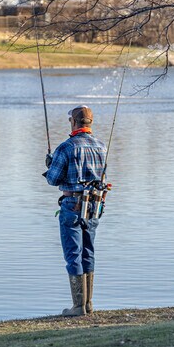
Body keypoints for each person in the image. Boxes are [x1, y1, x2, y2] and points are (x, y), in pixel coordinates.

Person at [45, 106, 107, 317]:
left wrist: (50, 164)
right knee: (88, 252)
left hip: (72, 205)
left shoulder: (66, 148)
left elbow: (53, 179)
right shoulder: (101, 146)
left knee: (73, 255)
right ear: (90, 122)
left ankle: (78, 306)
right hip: (93, 207)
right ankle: (88, 304)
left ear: (73, 122)